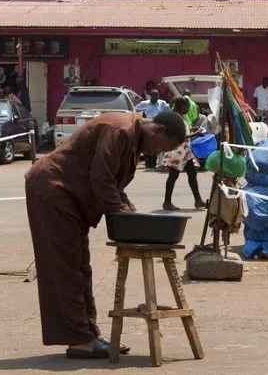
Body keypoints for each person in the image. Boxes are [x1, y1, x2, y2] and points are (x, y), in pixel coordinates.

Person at [25, 111, 184, 359]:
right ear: (158, 130)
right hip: (54, 192)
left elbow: (112, 183)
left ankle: (89, 333)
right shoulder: (120, 130)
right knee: (66, 269)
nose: (157, 153)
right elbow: (101, 177)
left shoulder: (133, 138)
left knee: (80, 267)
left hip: (72, 200)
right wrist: (122, 215)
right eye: (161, 147)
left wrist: (125, 205)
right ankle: (79, 341)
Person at [163, 98, 206, 211]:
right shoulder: (176, 117)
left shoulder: (179, 117)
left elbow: (183, 131)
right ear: (181, 107)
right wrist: (195, 134)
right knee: (173, 176)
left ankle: (198, 200)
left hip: (184, 151)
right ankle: (167, 202)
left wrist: (192, 129)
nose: (187, 109)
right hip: (177, 152)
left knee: (192, 174)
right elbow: (179, 135)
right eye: (186, 107)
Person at [135, 90, 171, 169]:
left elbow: (167, 113)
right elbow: (135, 109)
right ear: (150, 96)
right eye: (155, 96)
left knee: (156, 145)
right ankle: (148, 162)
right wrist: (142, 119)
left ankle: (153, 163)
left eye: (157, 96)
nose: (157, 97)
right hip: (148, 126)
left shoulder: (163, 103)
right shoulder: (145, 103)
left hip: (158, 127)